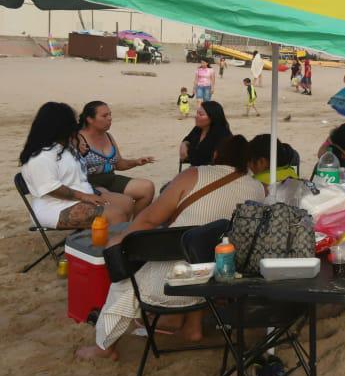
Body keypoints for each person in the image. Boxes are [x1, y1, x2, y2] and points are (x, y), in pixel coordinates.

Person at [77, 135, 266, 361]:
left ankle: (104, 348)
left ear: (216, 155)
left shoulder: (195, 174)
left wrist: (120, 238)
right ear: (248, 161)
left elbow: (149, 218)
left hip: (176, 283)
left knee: (125, 286)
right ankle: (192, 328)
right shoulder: (258, 188)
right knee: (204, 250)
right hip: (221, 281)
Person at [19, 102, 135, 230]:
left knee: (127, 203)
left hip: (79, 195)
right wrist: (84, 196)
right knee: (115, 215)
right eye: (71, 124)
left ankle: (106, 239)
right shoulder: (40, 157)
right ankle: (111, 246)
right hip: (54, 207)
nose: (75, 127)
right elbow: (52, 189)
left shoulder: (64, 147)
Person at [76, 101, 156, 214]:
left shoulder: (108, 136)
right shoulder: (77, 139)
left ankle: (134, 225)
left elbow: (118, 164)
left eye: (110, 114)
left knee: (147, 187)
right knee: (122, 201)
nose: (109, 118)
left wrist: (136, 162)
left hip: (110, 179)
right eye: (104, 116)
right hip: (89, 182)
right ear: (90, 119)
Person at [180, 101, 232, 167]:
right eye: (197, 113)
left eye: (201, 114)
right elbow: (188, 139)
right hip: (196, 170)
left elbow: (219, 162)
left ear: (212, 117)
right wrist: (184, 144)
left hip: (212, 173)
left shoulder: (222, 135)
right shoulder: (198, 129)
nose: (196, 116)